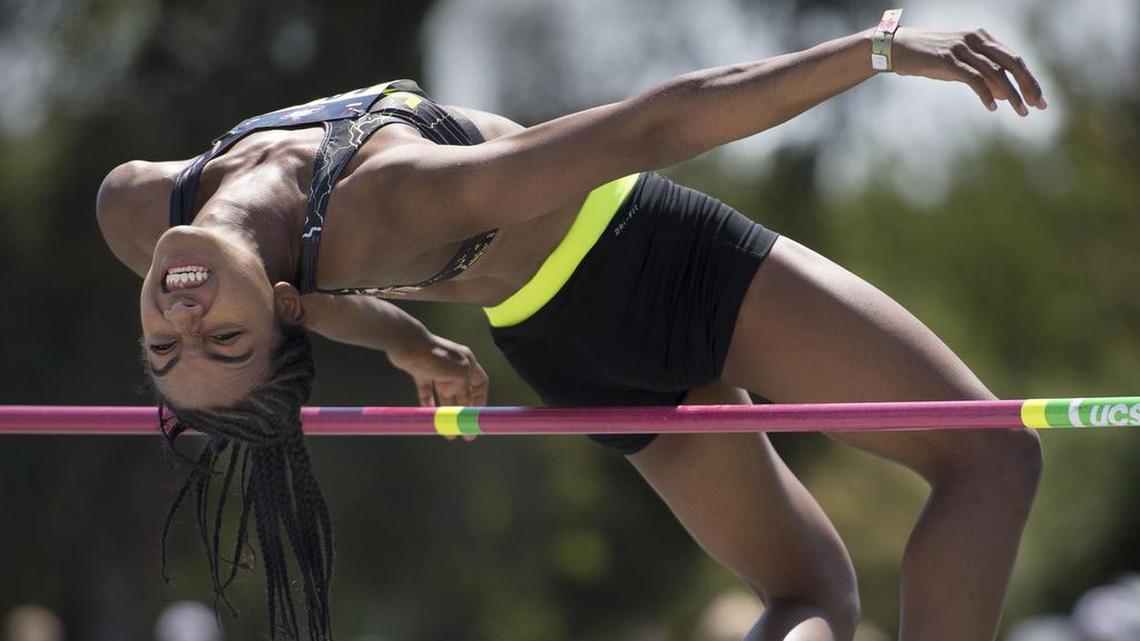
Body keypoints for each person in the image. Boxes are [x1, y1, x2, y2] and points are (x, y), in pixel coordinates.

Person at [96, 11, 1047, 641]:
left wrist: (403, 341)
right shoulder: (400, 199)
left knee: (811, 596)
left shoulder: (134, 212)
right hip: (649, 259)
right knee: (993, 457)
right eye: (222, 338)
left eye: (168, 344)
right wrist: (876, 49)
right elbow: (651, 127)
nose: (181, 315)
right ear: (280, 307)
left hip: (561, 346)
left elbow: (311, 313)